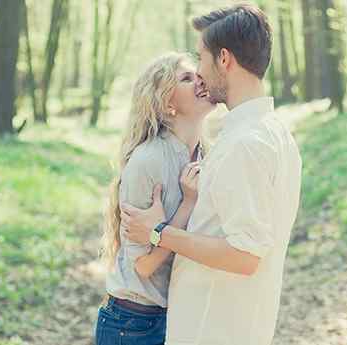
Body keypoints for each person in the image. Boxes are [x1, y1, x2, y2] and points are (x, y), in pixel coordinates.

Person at [122, 4, 302, 345]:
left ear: (224, 59)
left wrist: (159, 233)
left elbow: (245, 256)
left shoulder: (244, 144)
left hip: (215, 327)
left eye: (201, 60)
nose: (200, 74)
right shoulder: (273, 132)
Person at [95, 52, 215, 345]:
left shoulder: (208, 155)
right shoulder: (147, 161)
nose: (200, 81)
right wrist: (187, 204)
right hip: (134, 323)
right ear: (167, 104)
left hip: (181, 316)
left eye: (197, 74)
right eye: (186, 78)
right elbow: (145, 267)